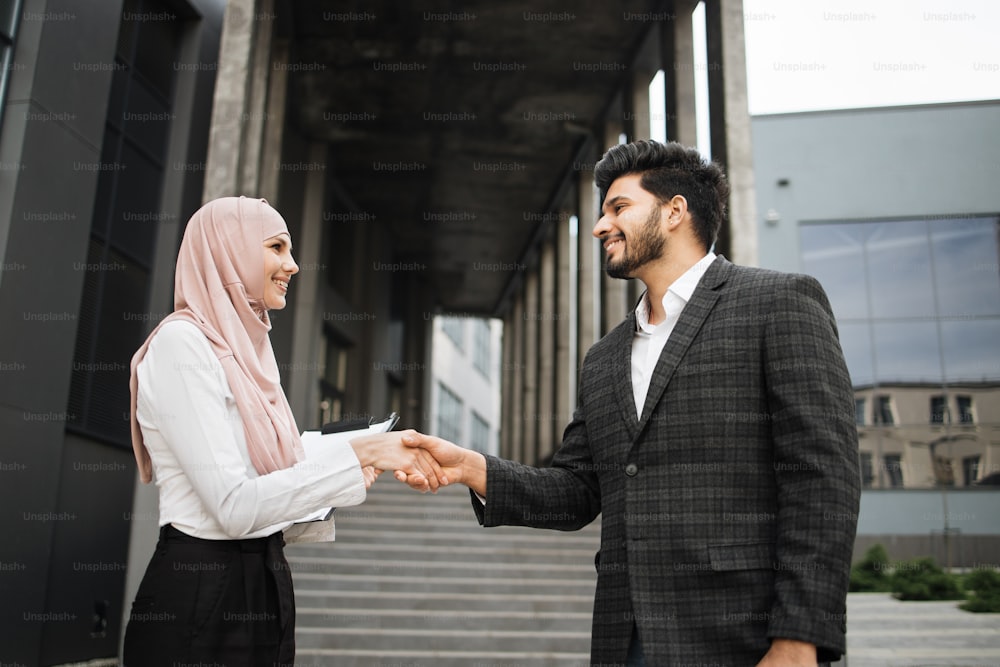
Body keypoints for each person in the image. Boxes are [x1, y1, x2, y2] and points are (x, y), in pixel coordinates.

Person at [400, 140, 861, 666]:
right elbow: (577, 490)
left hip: (746, 636)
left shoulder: (779, 303)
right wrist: (472, 468)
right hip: (626, 637)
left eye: (618, 208)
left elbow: (823, 476)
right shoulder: (604, 357)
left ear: (674, 211)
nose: (600, 226)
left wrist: (798, 640)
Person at [122, 196, 444, 666]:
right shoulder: (182, 345)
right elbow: (232, 507)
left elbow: (268, 509)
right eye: (276, 247)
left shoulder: (250, 351)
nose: (292, 265)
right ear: (230, 251)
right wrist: (361, 454)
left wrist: (350, 464)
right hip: (200, 593)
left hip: (261, 586)